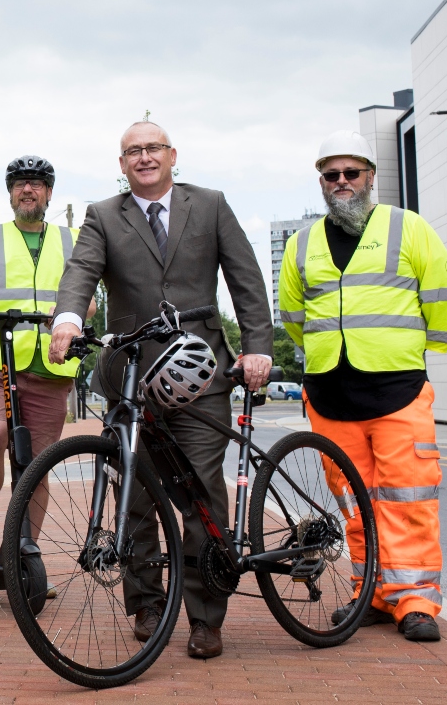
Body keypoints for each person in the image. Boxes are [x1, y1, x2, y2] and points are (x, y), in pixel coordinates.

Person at [49, 120, 273, 660]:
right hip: (132, 377)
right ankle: (148, 603)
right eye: (133, 152)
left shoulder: (212, 204)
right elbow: (81, 270)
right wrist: (67, 319)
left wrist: (258, 345)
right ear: (121, 164)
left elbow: (245, 277)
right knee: (136, 495)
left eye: (153, 148)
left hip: (201, 376)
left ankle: (205, 616)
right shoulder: (104, 215)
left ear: (173, 155)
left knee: (201, 493)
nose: (144, 157)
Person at [278, 131, 447, 643]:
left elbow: (444, 291)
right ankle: (374, 596)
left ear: (370, 177)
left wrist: (423, 349)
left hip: (397, 389)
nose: (342, 183)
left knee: (408, 499)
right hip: (331, 396)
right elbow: (294, 315)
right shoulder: (302, 244)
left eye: (351, 173)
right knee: (354, 506)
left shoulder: (409, 229)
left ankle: (417, 602)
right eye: (331, 175)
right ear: (321, 182)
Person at [0, 156, 93, 564]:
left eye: (36, 183)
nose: (27, 190)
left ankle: (24, 551)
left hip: (50, 366)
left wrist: (74, 316)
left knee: (37, 463)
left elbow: (85, 295)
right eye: (19, 184)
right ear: (10, 192)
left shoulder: (72, 240)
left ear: (49, 192)